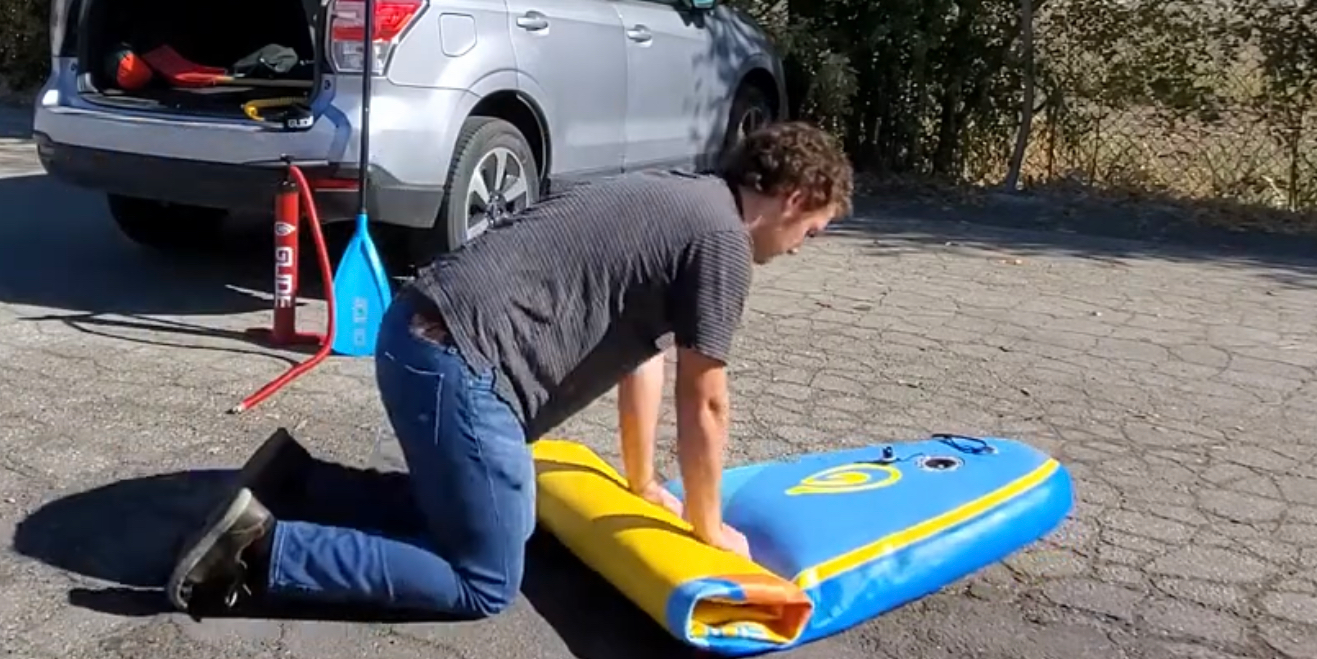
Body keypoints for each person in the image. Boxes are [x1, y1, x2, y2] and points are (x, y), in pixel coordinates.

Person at [166, 119, 854, 618]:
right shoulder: (720, 240)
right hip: (456, 364)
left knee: (501, 518)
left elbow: (645, 357)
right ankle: (259, 551)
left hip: (418, 334)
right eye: (811, 230)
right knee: (483, 581)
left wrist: (643, 481)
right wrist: (709, 528)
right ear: (793, 198)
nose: (800, 247)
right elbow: (705, 402)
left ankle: (300, 483)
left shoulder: (686, 198)